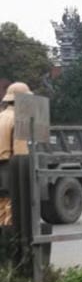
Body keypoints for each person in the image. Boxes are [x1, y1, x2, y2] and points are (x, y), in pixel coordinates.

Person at [0, 83, 32, 226]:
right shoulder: (19, 120)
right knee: (11, 206)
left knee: (1, 204)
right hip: (9, 167)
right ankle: (10, 243)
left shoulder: (1, 116)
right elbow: (21, 154)